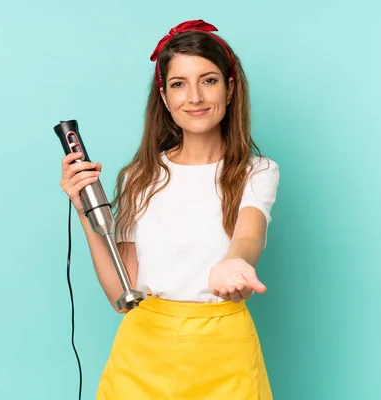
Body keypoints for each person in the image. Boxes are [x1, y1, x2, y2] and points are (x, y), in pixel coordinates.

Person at [59, 19, 279, 399]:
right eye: (179, 84)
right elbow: (120, 294)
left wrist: (236, 262)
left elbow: (249, 232)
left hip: (224, 355)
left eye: (208, 80)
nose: (194, 96)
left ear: (230, 89)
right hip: (142, 357)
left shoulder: (256, 171)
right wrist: (85, 213)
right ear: (164, 97)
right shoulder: (139, 177)